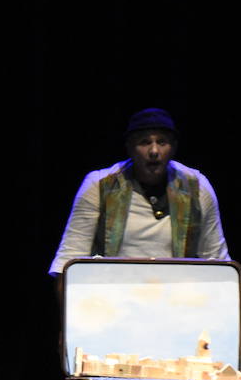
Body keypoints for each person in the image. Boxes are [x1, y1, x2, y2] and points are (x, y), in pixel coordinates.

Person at [50, 107, 228, 277]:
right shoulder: (99, 186)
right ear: (129, 147)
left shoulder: (196, 187)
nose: (154, 151)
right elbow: (68, 262)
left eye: (162, 142)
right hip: (113, 295)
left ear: (173, 147)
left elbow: (217, 262)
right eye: (144, 142)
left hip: (176, 297)